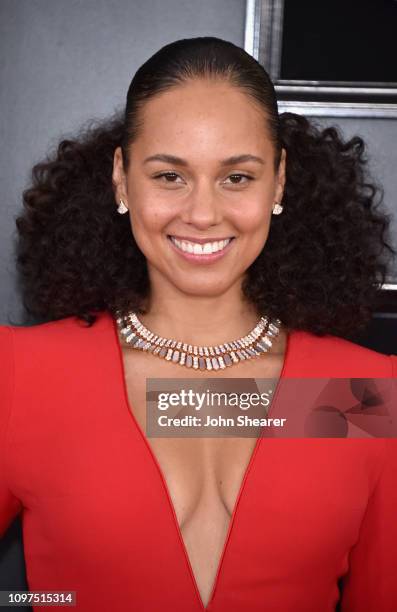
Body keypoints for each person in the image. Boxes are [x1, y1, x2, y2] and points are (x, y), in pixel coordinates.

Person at [0, 36, 396, 612]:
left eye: (237, 177)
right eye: (169, 176)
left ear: (279, 182)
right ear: (121, 178)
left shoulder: (364, 394)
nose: (204, 214)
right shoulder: (22, 375)